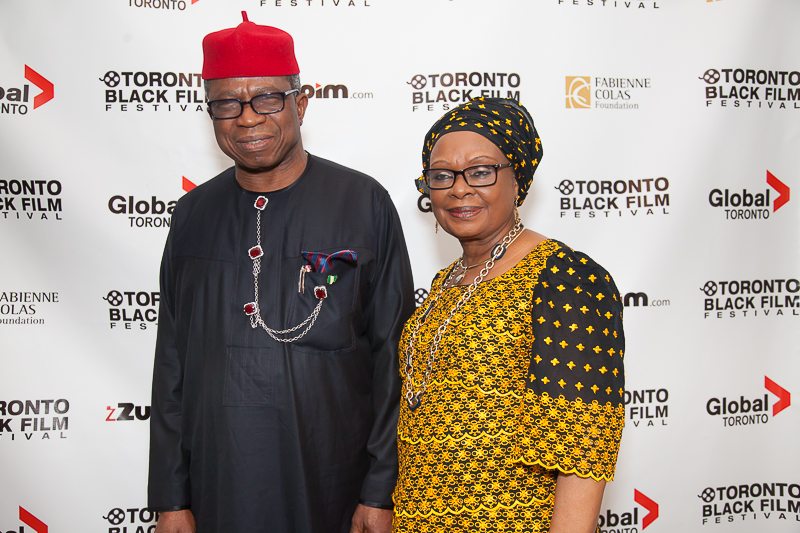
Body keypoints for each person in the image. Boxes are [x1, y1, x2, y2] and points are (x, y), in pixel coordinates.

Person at [148, 12, 414, 533]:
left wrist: (381, 489)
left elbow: (394, 358)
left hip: (333, 486)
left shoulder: (363, 203)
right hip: (217, 488)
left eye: (267, 98)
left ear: (302, 103)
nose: (247, 119)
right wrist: (170, 497)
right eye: (227, 103)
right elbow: (172, 364)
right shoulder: (192, 215)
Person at [393, 97, 625, 533]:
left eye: (480, 171)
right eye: (441, 175)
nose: (458, 189)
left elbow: (582, 446)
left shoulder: (565, 277)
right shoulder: (446, 281)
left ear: (517, 178)